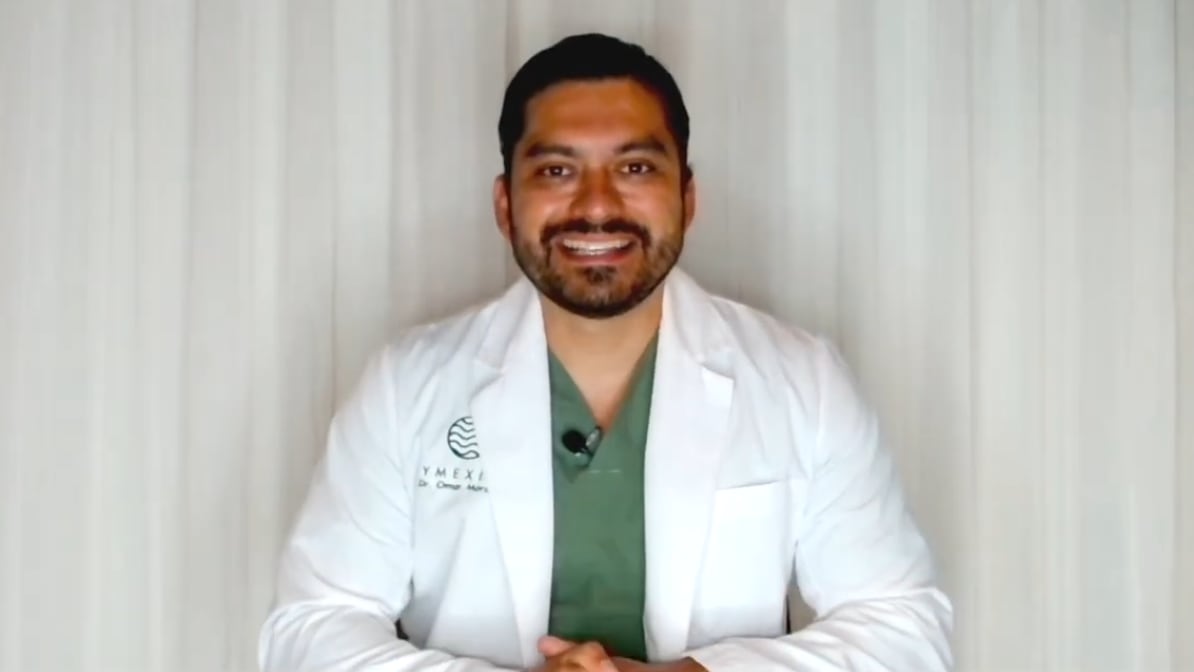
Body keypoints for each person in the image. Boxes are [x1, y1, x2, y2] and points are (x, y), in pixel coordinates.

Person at [259, 32, 953, 672]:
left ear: (687, 196)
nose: (596, 205)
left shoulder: (803, 380)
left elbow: (905, 629)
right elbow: (311, 628)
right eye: (557, 171)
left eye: (636, 167)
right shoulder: (405, 385)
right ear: (505, 206)